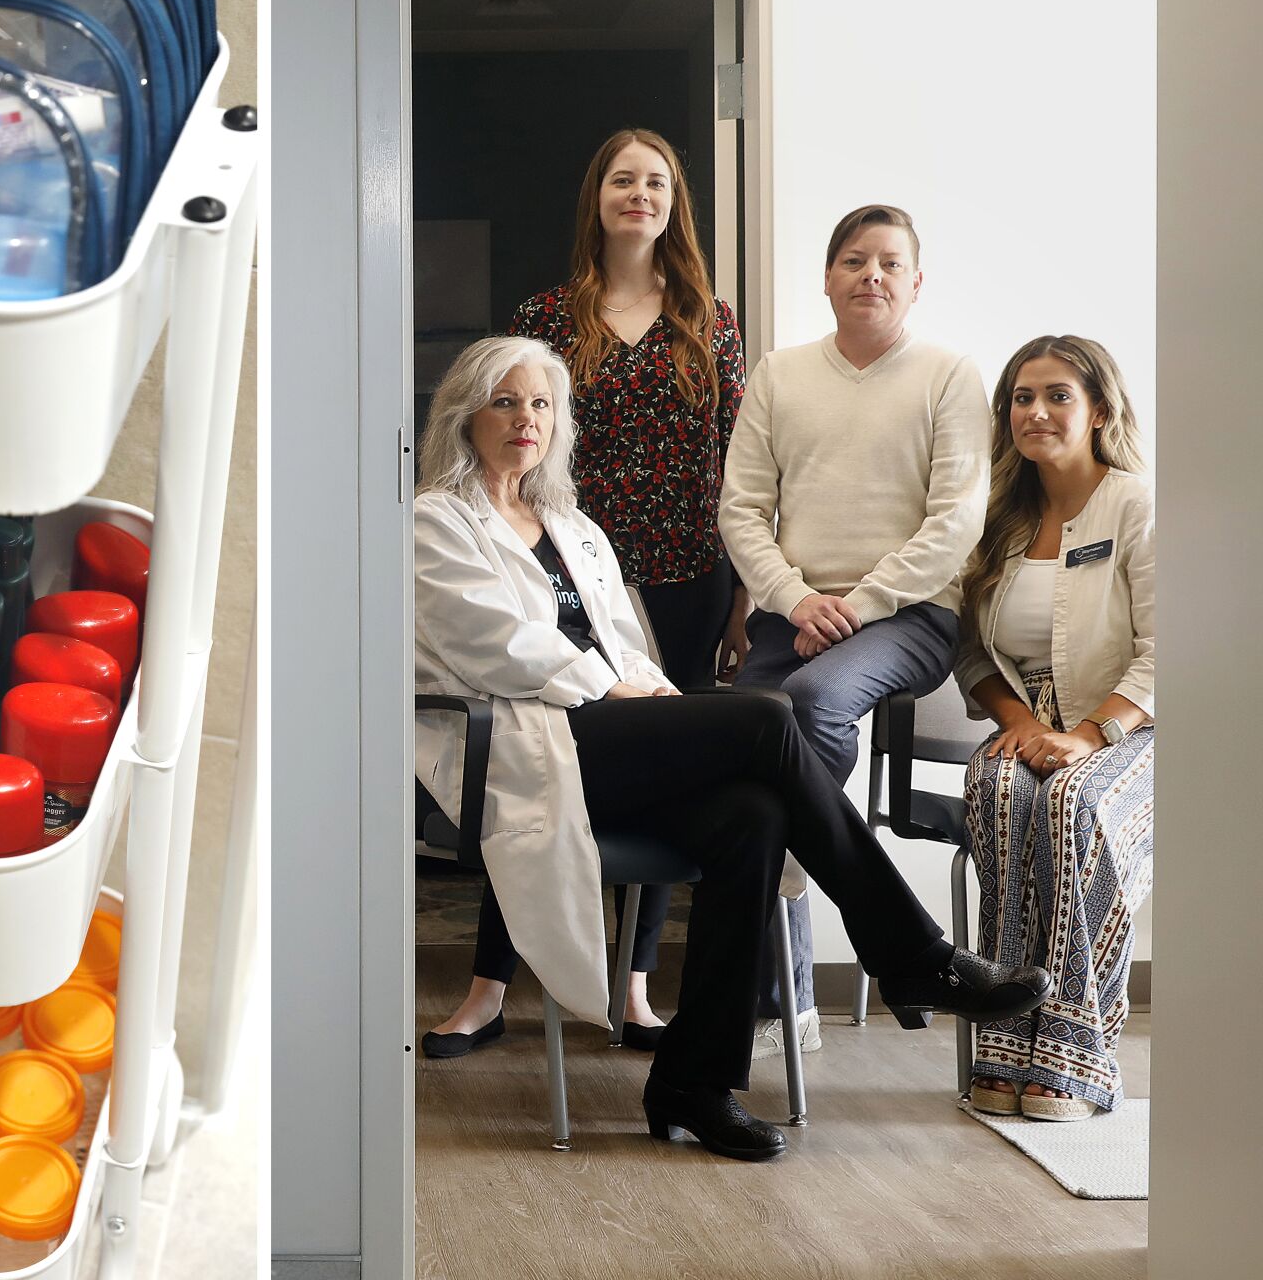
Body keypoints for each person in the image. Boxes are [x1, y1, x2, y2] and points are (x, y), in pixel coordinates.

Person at [413, 334, 1048, 1161]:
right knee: (767, 718)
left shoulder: (572, 526)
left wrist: (653, 696)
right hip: (521, 741)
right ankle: (913, 953)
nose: (526, 420)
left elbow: (625, 645)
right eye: (505, 402)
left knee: (749, 813)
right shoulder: (434, 522)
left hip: (606, 734)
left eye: (541, 404)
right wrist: (619, 693)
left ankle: (693, 1082)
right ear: (466, 415)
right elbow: (491, 643)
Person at [495, 128, 748, 1045]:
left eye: (656, 182)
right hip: (570, 577)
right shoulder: (546, 316)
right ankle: (491, 982)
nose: (639, 195)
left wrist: (744, 592)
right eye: (622, 180)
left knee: (661, 772)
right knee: (530, 762)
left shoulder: (711, 319)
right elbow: (517, 455)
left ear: (674, 201)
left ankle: (636, 983)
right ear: (596, 198)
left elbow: (736, 459)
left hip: (686, 575)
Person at [718, 204, 990, 1053]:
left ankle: (797, 879)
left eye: (889, 264)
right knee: (733, 772)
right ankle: (784, 998)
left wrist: (857, 607)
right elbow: (741, 507)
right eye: (853, 261)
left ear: (915, 283)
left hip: (908, 617)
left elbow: (956, 520)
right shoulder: (779, 373)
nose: (870, 275)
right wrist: (796, 600)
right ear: (828, 278)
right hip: (792, 614)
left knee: (804, 705)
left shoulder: (948, 375)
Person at [954, 336, 1153, 1121]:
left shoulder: (1137, 505)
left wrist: (1093, 733)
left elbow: (1173, 646)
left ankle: (1077, 1052)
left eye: (1058, 395)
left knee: (1072, 800)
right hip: (1032, 721)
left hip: (1136, 728)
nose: (1036, 412)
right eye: (1022, 397)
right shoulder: (997, 519)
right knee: (998, 788)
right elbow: (969, 649)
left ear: (1099, 410)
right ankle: (1006, 1039)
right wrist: (1019, 720)